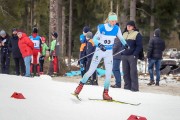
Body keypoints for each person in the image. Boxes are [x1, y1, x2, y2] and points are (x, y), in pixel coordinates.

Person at [73, 12, 129, 100]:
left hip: (108, 53)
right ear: (109, 20)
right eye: (113, 21)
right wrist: (99, 45)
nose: (114, 23)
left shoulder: (117, 29)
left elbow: (121, 38)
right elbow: (94, 39)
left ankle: (105, 93)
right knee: (91, 70)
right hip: (99, 52)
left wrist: (125, 44)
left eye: (115, 21)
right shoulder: (102, 27)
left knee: (108, 73)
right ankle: (79, 88)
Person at [121, 20, 143, 92]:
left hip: (132, 56)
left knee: (133, 72)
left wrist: (135, 54)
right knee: (125, 72)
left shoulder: (137, 34)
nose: (128, 27)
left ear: (133, 27)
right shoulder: (124, 34)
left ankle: (134, 88)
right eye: (127, 26)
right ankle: (127, 87)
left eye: (130, 26)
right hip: (124, 56)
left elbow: (139, 46)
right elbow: (121, 44)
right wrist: (122, 52)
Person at [111, 23, 122, 88]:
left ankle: (118, 84)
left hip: (117, 55)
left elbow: (115, 46)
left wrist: (110, 52)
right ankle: (117, 83)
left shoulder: (117, 36)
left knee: (115, 69)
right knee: (115, 69)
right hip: (115, 55)